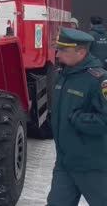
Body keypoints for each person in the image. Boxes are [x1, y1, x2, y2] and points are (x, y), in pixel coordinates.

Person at [46, 28, 107, 206]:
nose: (57, 54)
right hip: (64, 164)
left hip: (91, 166)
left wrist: (77, 119)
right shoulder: (62, 75)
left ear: (81, 52)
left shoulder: (98, 80)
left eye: (63, 50)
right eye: (58, 49)